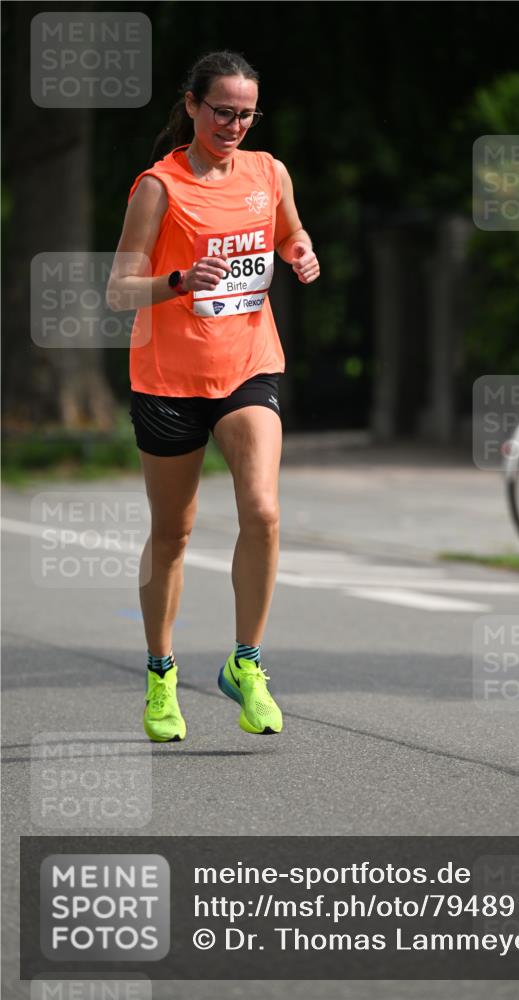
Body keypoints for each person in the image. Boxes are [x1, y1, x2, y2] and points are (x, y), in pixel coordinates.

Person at [107, 50, 320, 742]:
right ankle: (161, 675)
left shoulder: (269, 171)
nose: (233, 123)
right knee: (173, 534)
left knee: (262, 509)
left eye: (246, 113)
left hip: (248, 366)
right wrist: (178, 282)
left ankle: (246, 665)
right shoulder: (158, 187)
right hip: (168, 379)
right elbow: (118, 291)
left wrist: (301, 254)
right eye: (222, 110)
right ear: (193, 105)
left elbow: (289, 234)